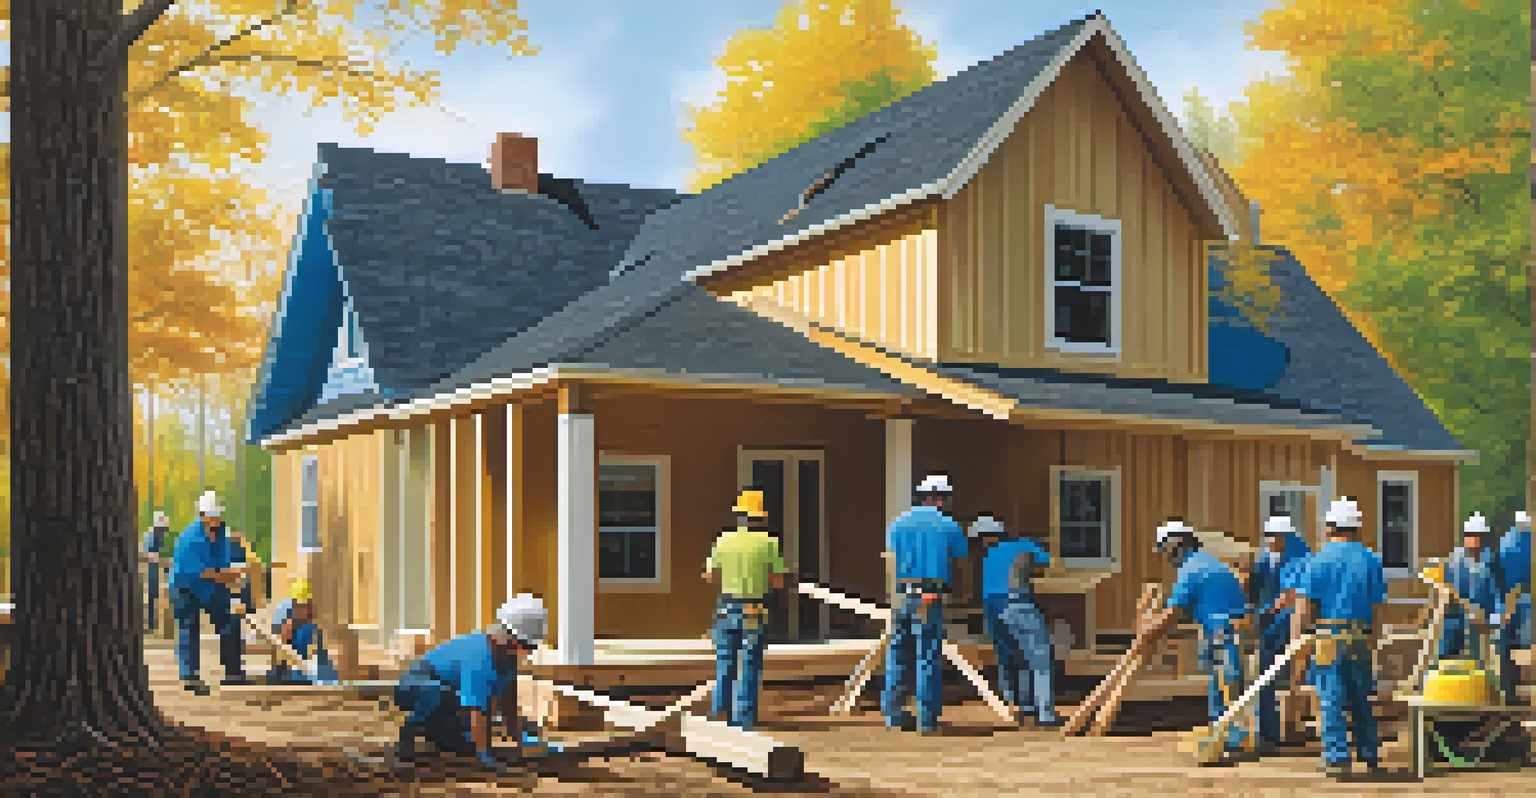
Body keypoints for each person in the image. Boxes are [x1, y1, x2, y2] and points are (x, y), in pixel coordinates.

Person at [394, 594, 549, 775]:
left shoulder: (509, 658)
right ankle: (411, 729)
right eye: (528, 647)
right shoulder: (481, 657)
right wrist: (485, 757)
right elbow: (478, 710)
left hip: (449, 696)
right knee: (440, 695)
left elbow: (508, 705)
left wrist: (521, 741)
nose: (529, 653)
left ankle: (436, 734)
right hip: (415, 687)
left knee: (463, 743)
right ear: (513, 639)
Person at [1139, 518, 1249, 765]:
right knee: (1226, 687)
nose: (1165, 556)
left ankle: (1226, 745)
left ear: (1177, 543)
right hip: (1230, 631)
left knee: (1223, 689)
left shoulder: (1191, 570)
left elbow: (1172, 614)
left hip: (1221, 633)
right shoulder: (1212, 564)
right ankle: (1229, 741)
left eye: (1165, 549)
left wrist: (1145, 635)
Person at [1293, 497, 1387, 778]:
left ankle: (1337, 758)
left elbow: (1303, 607)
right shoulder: (1371, 560)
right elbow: (1378, 608)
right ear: (1356, 528)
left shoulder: (1317, 560)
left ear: (1330, 527)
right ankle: (1370, 755)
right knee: (1361, 698)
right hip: (1360, 637)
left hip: (1328, 638)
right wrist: (1375, 641)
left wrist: (1297, 642)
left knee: (1331, 698)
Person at [882, 473, 969, 736]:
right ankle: (927, 721)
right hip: (929, 595)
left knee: (897, 654)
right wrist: (961, 595)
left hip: (902, 595)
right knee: (927, 656)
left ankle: (893, 716)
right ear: (940, 498)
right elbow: (961, 563)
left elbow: (890, 560)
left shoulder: (898, 523)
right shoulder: (949, 525)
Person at [702, 487, 789, 731]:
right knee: (749, 663)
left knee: (724, 662)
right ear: (761, 517)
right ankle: (743, 720)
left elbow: (709, 576)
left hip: (726, 606)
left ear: (739, 515)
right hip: (754, 608)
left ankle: (720, 714)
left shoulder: (723, 540)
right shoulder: (769, 543)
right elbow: (777, 581)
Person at [974, 515, 1058, 727]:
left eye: (980, 539)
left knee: (1009, 656)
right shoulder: (1023, 545)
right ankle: (1045, 714)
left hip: (992, 608)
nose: (981, 544)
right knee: (1039, 656)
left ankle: (1019, 707)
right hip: (1015, 603)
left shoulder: (988, 556)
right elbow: (1051, 563)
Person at [168, 490, 249, 694]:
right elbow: (203, 572)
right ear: (201, 515)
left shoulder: (222, 535)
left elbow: (223, 565)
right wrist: (227, 575)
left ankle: (233, 673)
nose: (213, 519)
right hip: (185, 587)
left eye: (216, 515)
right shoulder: (190, 538)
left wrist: (231, 578)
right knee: (189, 627)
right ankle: (190, 676)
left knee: (230, 620)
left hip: (212, 586)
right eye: (209, 516)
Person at [1249, 514, 1311, 751]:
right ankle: (1271, 731)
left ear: (1284, 536)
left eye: (1272, 537)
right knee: (1267, 675)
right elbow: (1255, 586)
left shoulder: (1300, 558)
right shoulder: (1270, 559)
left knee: (1287, 675)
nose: (1268, 541)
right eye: (1266, 536)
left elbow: (1291, 595)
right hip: (1276, 623)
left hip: (1292, 622)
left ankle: (1281, 729)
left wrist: (1265, 612)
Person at [1440, 512, 1501, 665]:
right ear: (1465, 537)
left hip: (1479, 632)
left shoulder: (1491, 564)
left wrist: (1492, 620)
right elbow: (1445, 592)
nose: (1475, 540)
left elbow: (1496, 598)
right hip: (1454, 629)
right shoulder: (1454, 563)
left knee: (1477, 667)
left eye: (1479, 536)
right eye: (1471, 535)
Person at [266, 578, 340, 685]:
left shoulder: (310, 630)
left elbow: (317, 662)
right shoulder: (293, 624)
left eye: (304, 607)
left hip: (308, 675)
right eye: (297, 607)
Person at [1494, 510, 1531, 703]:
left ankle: (1507, 692)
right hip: (1521, 603)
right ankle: (1510, 693)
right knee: (1516, 649)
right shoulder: (1526, 543)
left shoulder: (1505, 541)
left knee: (1506, 649)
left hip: (1505, 603)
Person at [141, 511, 171, 633]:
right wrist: (159, 559)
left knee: (158, 595)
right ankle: (151, 623)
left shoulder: (161, 536)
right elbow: (148, 554)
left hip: (159, 569)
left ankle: (156, 623)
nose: (163, 531)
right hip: (151, 569)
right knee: (152, 596)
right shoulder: (150, 535)